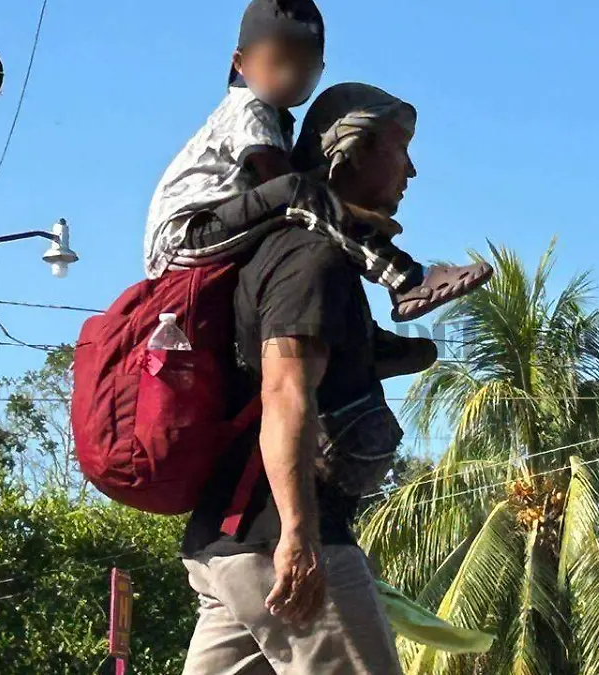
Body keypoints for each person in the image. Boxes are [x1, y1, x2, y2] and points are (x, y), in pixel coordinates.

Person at [179, 83, 442, 675]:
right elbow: (285, 392)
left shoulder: (292, 254)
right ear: (349, 152)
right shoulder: (310, 257)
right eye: (401, 148)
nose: (413, 170)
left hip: (228, 543)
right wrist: (300, 536)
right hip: (280, 539)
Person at [143, 0, 492, 321]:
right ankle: (406, 278)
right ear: (240, 64)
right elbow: (279, 183)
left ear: (322, 69)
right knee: (302, 199)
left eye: (304, 68)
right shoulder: (250, 108)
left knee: (311, 216)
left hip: (220, 226)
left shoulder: (276, 118)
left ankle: (354, 336)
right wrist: (350, 212)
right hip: (187, 235)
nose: (290, 77)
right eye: (277, 64)